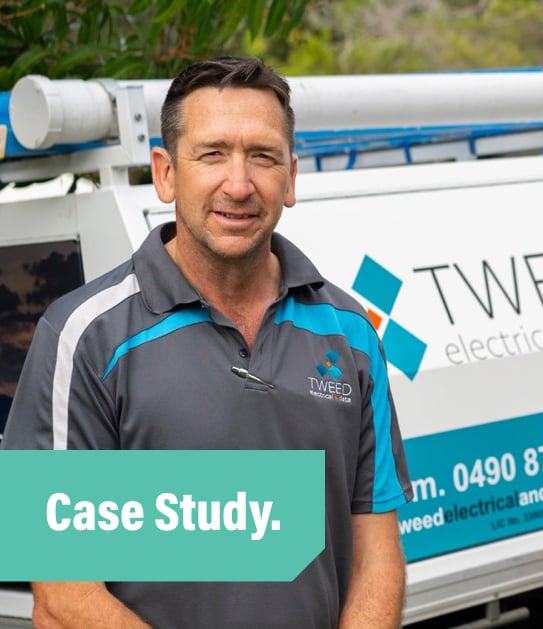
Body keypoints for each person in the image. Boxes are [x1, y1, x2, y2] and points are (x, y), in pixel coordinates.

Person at [1, 56, 412, 628]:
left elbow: (377, 556)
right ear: (166, 172)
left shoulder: (353, 334)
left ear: (291, 177)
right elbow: (62, 591)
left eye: (262, 157)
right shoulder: (82, 336)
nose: (238, 184)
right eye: (212, 154)